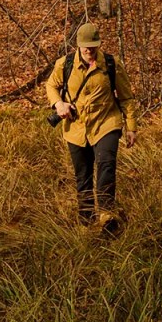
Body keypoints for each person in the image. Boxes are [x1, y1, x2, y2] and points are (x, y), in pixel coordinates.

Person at [45, 22, 137, 228]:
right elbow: (51, 85)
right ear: (78, 45)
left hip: (106, 122)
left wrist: (131, 127)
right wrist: (58, 103)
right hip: (76, 128)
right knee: (83, 174)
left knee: (106, 164)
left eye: (93, 45)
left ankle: (107, 216)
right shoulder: (64, 64)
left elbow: (127, 98)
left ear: (99, 44)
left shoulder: (112, 64)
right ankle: (86, 222)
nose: (89, 50)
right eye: (85, 46)